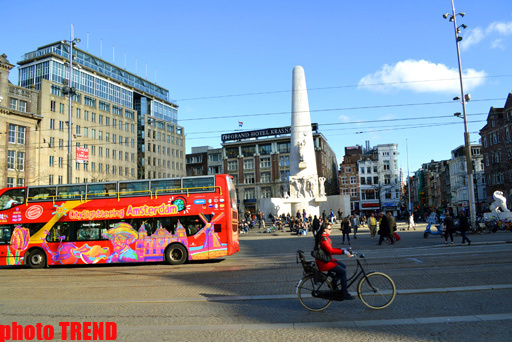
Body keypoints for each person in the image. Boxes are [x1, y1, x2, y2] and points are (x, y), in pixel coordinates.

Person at [313, 223, 353, 300]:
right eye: (329, 229)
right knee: (343, 272)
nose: (331, 230)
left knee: (343, 265)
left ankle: (333, 282)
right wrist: (343, 252)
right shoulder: (324, 238)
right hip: (324, 262)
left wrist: (343, 249)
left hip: (326, 260)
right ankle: (344, 293)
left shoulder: (325, 237)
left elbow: (330, 248)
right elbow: (330, 250)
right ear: (325, 230)